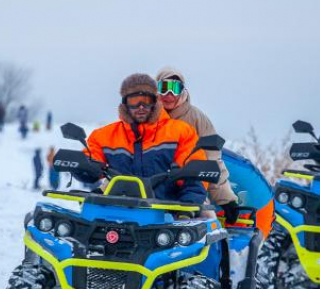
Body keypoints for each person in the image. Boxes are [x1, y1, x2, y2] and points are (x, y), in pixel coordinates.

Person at [81, 73, 206, 208]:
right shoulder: (104, 136)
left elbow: (194, 179)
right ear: (125, 104)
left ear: (155, 101)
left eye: (146, 101)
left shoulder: (181, 133)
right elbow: (90, 161)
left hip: (166, 215)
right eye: (135, 101)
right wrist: (83, 166)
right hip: (115, 214)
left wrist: (187, 209)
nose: (141, 106)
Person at [156, 66, 239, 222]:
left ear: (182, 91)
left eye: (175, 88)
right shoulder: (147, 118)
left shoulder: (197, 120)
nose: (169, 95)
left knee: (207, 223)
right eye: (164, 88)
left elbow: (212, 161)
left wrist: (226, 200)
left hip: (188, 190)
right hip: (152, 189)